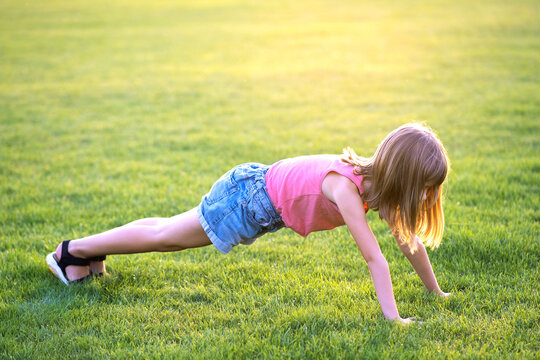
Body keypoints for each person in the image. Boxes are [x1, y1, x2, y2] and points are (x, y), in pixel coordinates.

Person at [47, 123, 451, 324]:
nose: (429, 199)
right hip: (247, 199)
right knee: (168, 237)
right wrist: (393, 320)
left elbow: (407, 241)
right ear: (404, 177)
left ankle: (88, 250)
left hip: (255, 192)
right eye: (426, 188)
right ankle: (72, 252)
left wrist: (437, 293)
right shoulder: (347, 188)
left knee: (167, 229)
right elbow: (374, 258)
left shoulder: (377, 187)